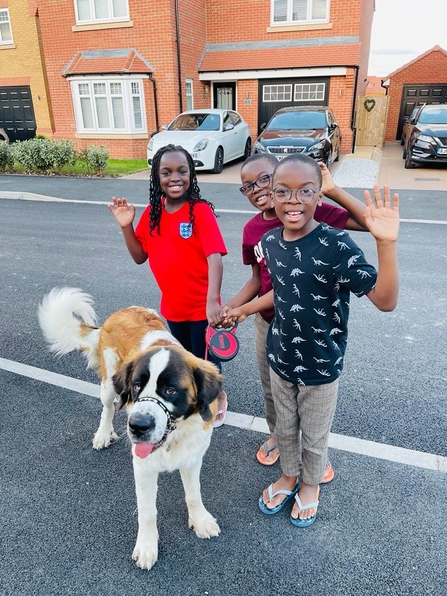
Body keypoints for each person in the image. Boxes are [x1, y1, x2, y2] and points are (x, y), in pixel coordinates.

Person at [225, 153, 399, 527]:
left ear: (320, 196)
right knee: (284, 428)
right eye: (283, 191)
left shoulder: (336, 245)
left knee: (315, 436)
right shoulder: (270, 242)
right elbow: (284, 290)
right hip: (280, 355)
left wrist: (386, 244)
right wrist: (244, 309)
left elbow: (385, 301)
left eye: (305, 191)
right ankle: (289, 476)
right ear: (271, 195)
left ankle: (310, 483)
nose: (293, 200)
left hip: (321, 361)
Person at [108, 144, 228, 427]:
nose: (175, 177)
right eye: (167, 172)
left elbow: (215, 259)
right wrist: (127, 226)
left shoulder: (199, 211)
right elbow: (140, 257)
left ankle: (217, 397)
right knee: (182, 361)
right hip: (173, 308)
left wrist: (213, 301)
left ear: (191, 175)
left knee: (205, 360)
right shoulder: (153, 213)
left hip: (202, 308)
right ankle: (184, 401)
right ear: (156, 177)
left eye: (182, 171)